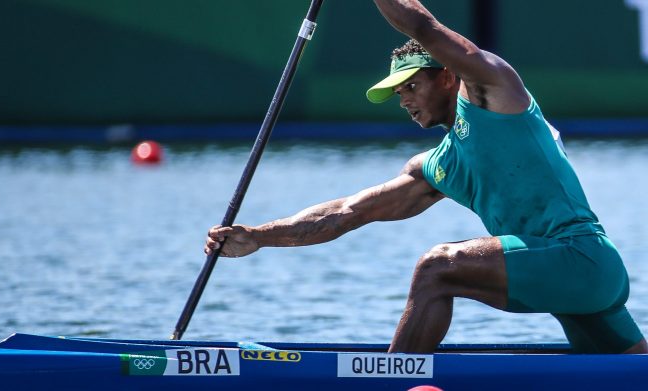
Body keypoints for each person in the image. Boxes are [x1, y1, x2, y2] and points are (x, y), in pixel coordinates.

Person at [205, 0, 647, 354]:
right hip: (570, 281)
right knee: (630, 370)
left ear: (449, 76)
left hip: (580, 258)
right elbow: (344, 213)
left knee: (437, 268)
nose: (404, 100)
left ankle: (395, 378)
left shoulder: (495, 92)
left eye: (411, 86)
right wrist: (260, 236)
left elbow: (424, 28)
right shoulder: (440, 165)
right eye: (398, 93)